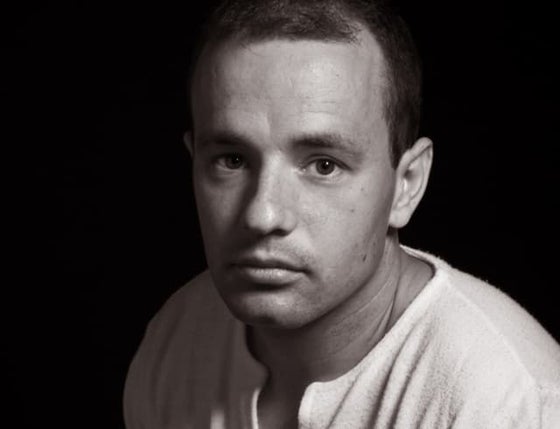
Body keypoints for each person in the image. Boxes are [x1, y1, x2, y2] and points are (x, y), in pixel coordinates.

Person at [124, 0, 560, 427]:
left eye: (324, 165)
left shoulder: (502, 401)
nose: (262, 214)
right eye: (232, 160)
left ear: (406, 184)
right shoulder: (178, 338)